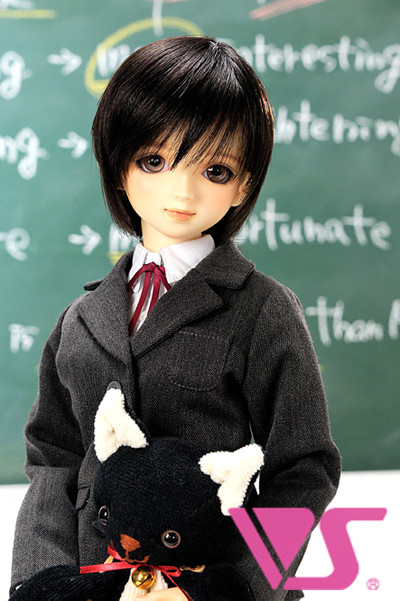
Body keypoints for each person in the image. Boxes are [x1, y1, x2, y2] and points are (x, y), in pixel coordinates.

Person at [11, 36, 341, 600]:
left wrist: (241, 588)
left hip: (212, 576)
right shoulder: (81, 319)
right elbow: (53, 463)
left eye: (215, 169)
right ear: (119, 167)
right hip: (96, 581)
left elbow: (304, 468)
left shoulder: (262, 309)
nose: (181, 190)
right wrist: (40, 582)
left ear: (244, 184)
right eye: (154, 161)